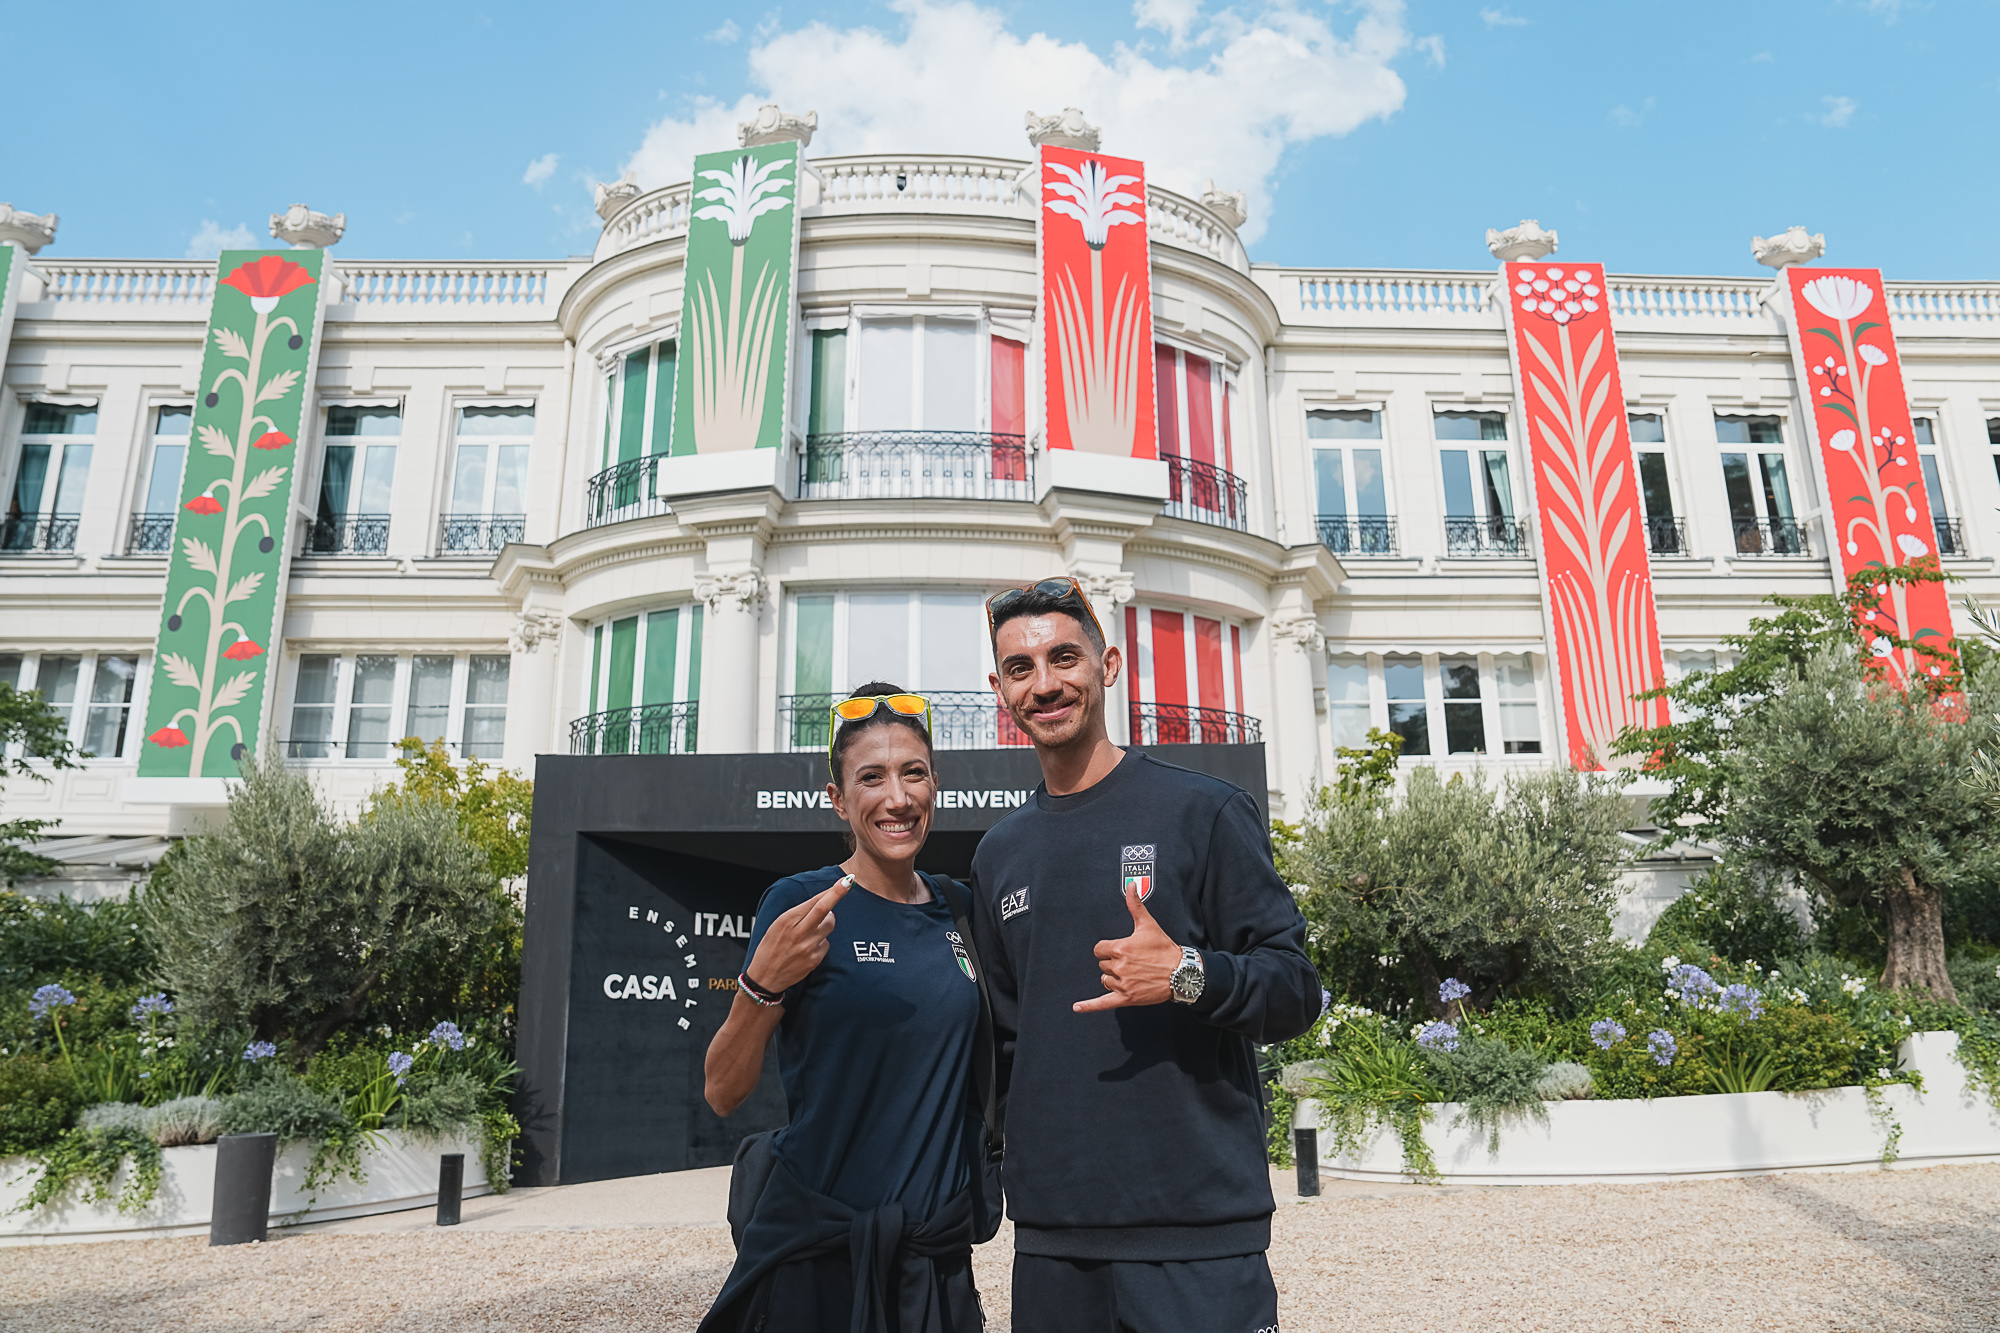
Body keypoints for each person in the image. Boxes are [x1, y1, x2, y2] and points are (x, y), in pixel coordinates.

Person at [968, 578, 1322, 1333]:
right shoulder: (999, 855)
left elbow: (1296, 990)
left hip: (1199, 1238)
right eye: (1021, 668)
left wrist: (1188, 974)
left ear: (1109, 665)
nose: (1045, 683)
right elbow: (1007, 1043)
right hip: (1054, 1244)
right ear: (1000, 691)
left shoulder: (1203, 811)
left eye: (1065, 657)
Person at [699, 682, 990, 1333]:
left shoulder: (961, 910)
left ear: (935, 784)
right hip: (820, 1254)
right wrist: (762, 984)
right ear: (838, 798)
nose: (897, 797)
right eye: (872, 777)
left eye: (913, 772)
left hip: (934, 1261)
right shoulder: (800, 904)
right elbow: (722, 1091)